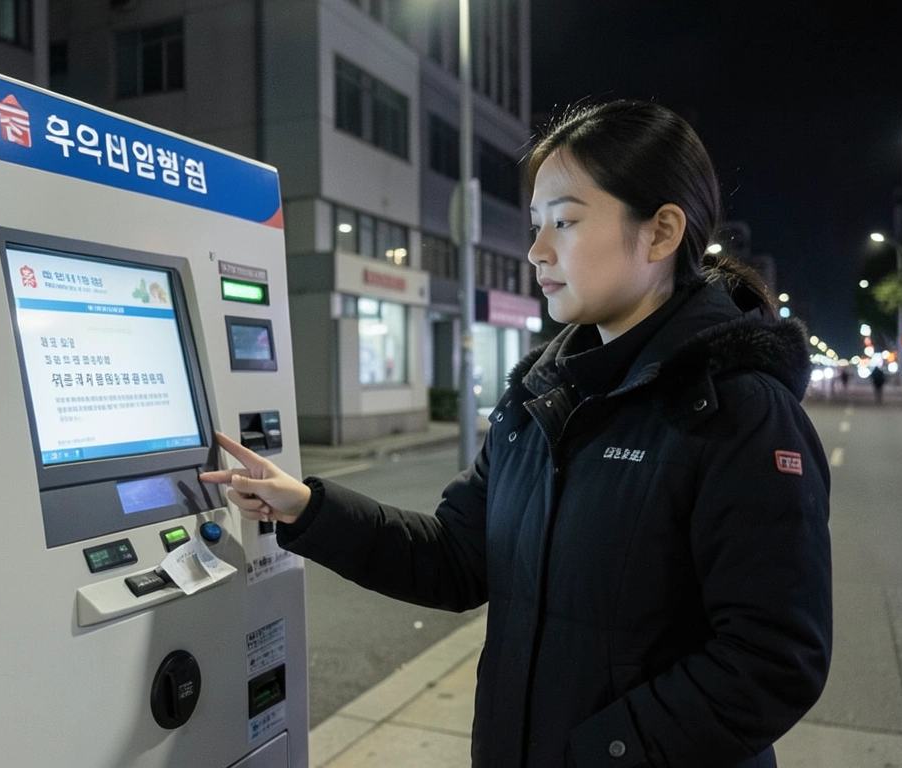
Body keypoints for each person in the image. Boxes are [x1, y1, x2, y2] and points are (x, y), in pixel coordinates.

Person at [202, 100, 832, 768]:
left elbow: (773, 659)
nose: (536, 251)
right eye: (536, 224)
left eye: (564, 222)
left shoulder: (736, 410)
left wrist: (598, 754)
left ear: (660, 232)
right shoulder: (542, 398)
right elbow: (454, 558)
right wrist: (307, 507)